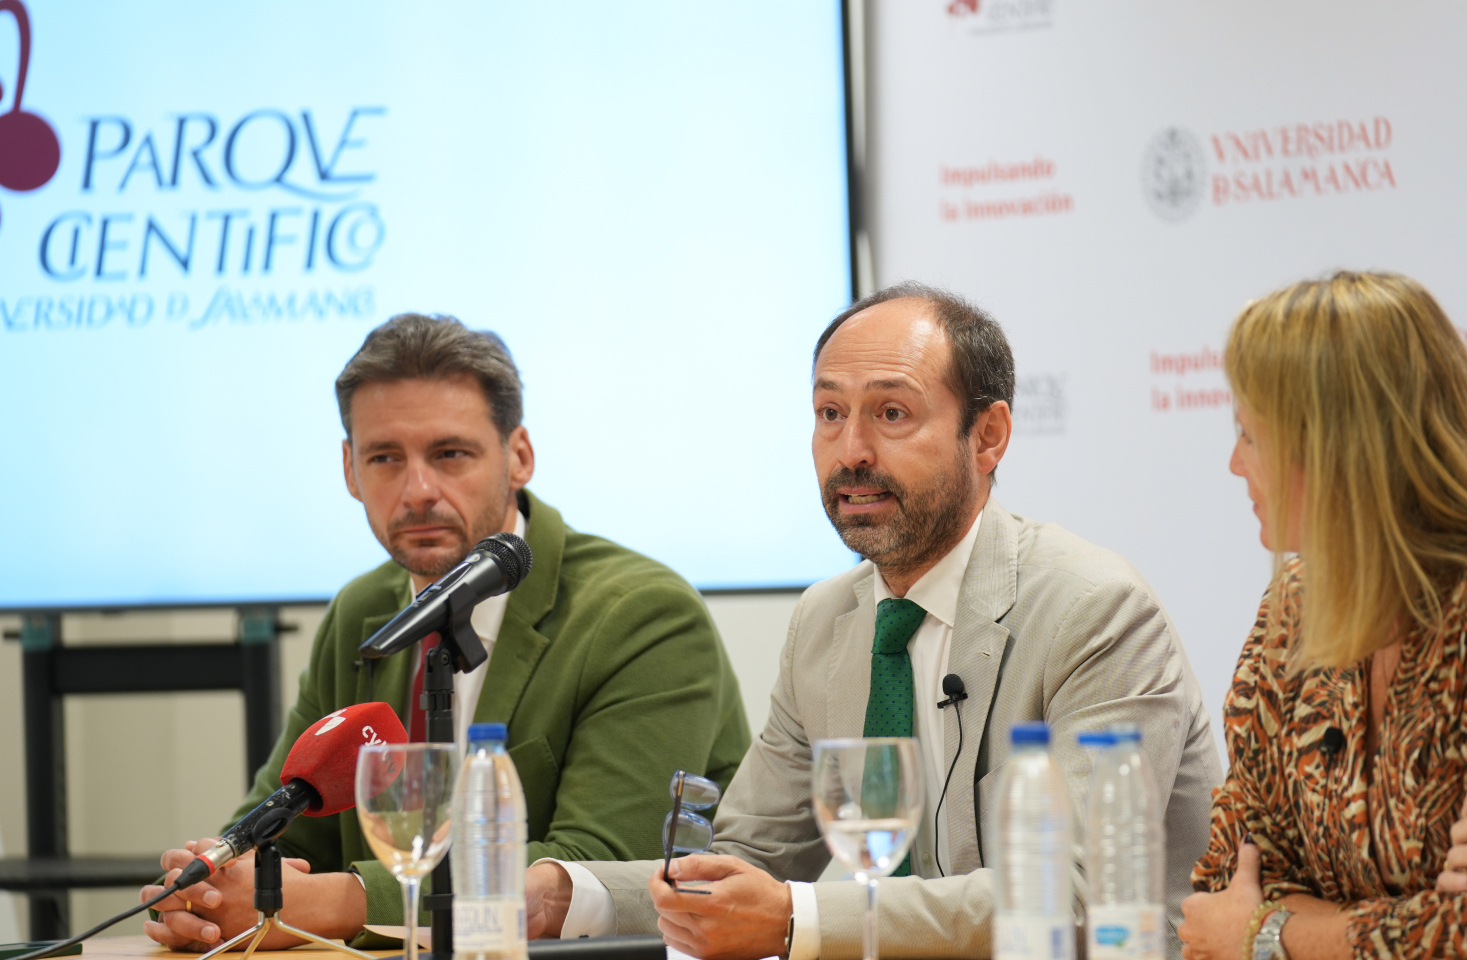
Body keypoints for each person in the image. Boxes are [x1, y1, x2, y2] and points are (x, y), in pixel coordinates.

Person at [524, 283, 1224, 959]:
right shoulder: (827, 622)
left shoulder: (1094, 610)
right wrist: (573, 894)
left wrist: (795, 919)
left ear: (988, 435)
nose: (851, 451)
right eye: (830, 414)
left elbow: (1069, 895)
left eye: (891, 414)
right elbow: (742, 862)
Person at [140, 313, 753, 950]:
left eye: (450, 454)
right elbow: (286, 831)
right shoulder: (363, 610)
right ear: (350, 471)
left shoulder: (643, 613)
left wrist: (333, 900)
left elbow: (597, 867)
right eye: (384, 458)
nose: (418, 490)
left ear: (519, 457)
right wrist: (210, 889)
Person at [1178, 272, 1467, 959]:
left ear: (1337, 448)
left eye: (1249, 435)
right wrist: (1420, 913)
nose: (1233, 464)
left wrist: (1273, 934)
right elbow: (1227, 880)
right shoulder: (1294, 606)